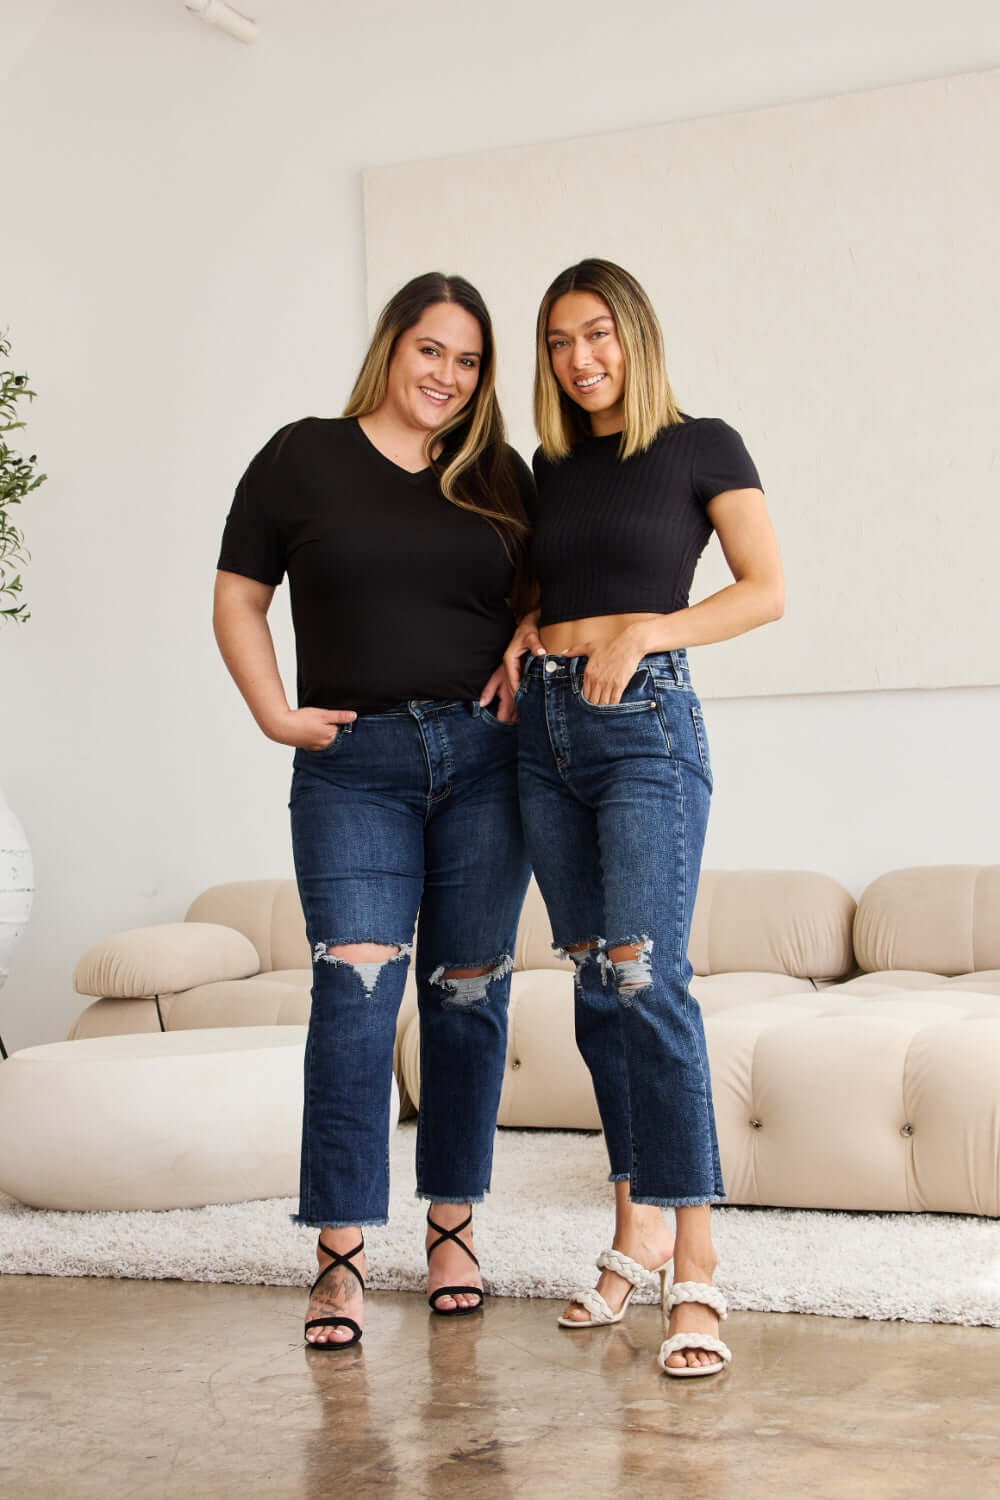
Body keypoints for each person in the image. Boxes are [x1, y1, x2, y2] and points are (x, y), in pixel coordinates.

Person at [215, 272, 533, 1349]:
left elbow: (542, 588)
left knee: (467, 995)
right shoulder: (301, 455)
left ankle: (452, 1227)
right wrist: (272, 712)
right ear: (392, 346)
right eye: (431, 349)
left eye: (469, 359)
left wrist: (520, 643)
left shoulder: (496, 473)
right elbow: (239, 594)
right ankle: (342, 1253)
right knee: (356, 994)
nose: (448, 376)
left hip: (485, 760)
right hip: (354, 765)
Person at [504, 258, 783, 1378]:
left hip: (645, 729)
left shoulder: (701, 441)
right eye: (561, 341)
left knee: (648, 983)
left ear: (636, 335)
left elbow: (763, 586)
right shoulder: (546, 466)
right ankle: (633, 1228)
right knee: (592, 991)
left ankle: (696, 1262)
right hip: (545, 732)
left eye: (599, 334)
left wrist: (648, 631)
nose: (581, 359)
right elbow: (542, 590)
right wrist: (525, 634)